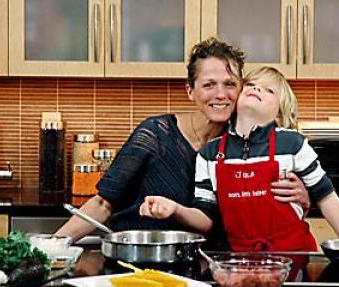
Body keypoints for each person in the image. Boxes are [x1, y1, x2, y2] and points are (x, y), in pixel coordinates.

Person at [56, 39, 311, 247]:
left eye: (230, 84)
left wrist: (303, 197)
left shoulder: (249, 148)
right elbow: (103, 203)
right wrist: (54, 246)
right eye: (209, 85)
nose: (220, 94)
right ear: (190, 91)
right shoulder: (155, 134)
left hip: (208, 268)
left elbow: (268, 212)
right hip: (139, 261)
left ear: (242, 89)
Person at [139, 66, 339, 252]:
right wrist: (175, 209)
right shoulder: (209, 154)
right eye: (250, 85)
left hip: (292, 258)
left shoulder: (293, 144)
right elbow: (205, 220)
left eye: (269, 90)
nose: (257, 89)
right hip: (238, 262)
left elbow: (326, 197)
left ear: (279, 113)